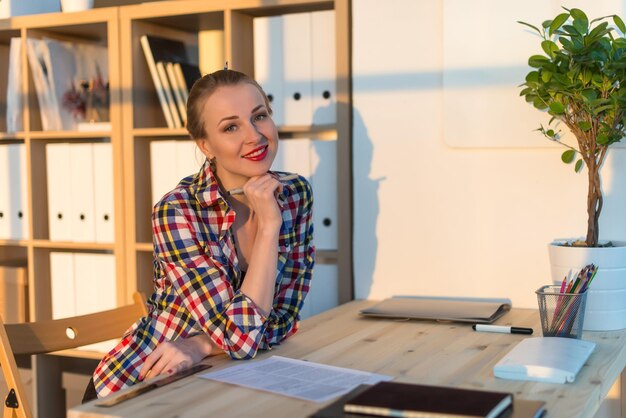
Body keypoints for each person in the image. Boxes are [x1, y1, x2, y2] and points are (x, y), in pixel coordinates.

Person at [84, 69, 315, 399]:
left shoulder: (294, 194)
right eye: (231, 127)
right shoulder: (176, 212)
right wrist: (268, 228)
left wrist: (202, 343)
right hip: (143, 385)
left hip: (220, 376)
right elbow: (242, 340)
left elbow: (283, 319)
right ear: (205, 145)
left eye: (259, 116)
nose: (255, 136)